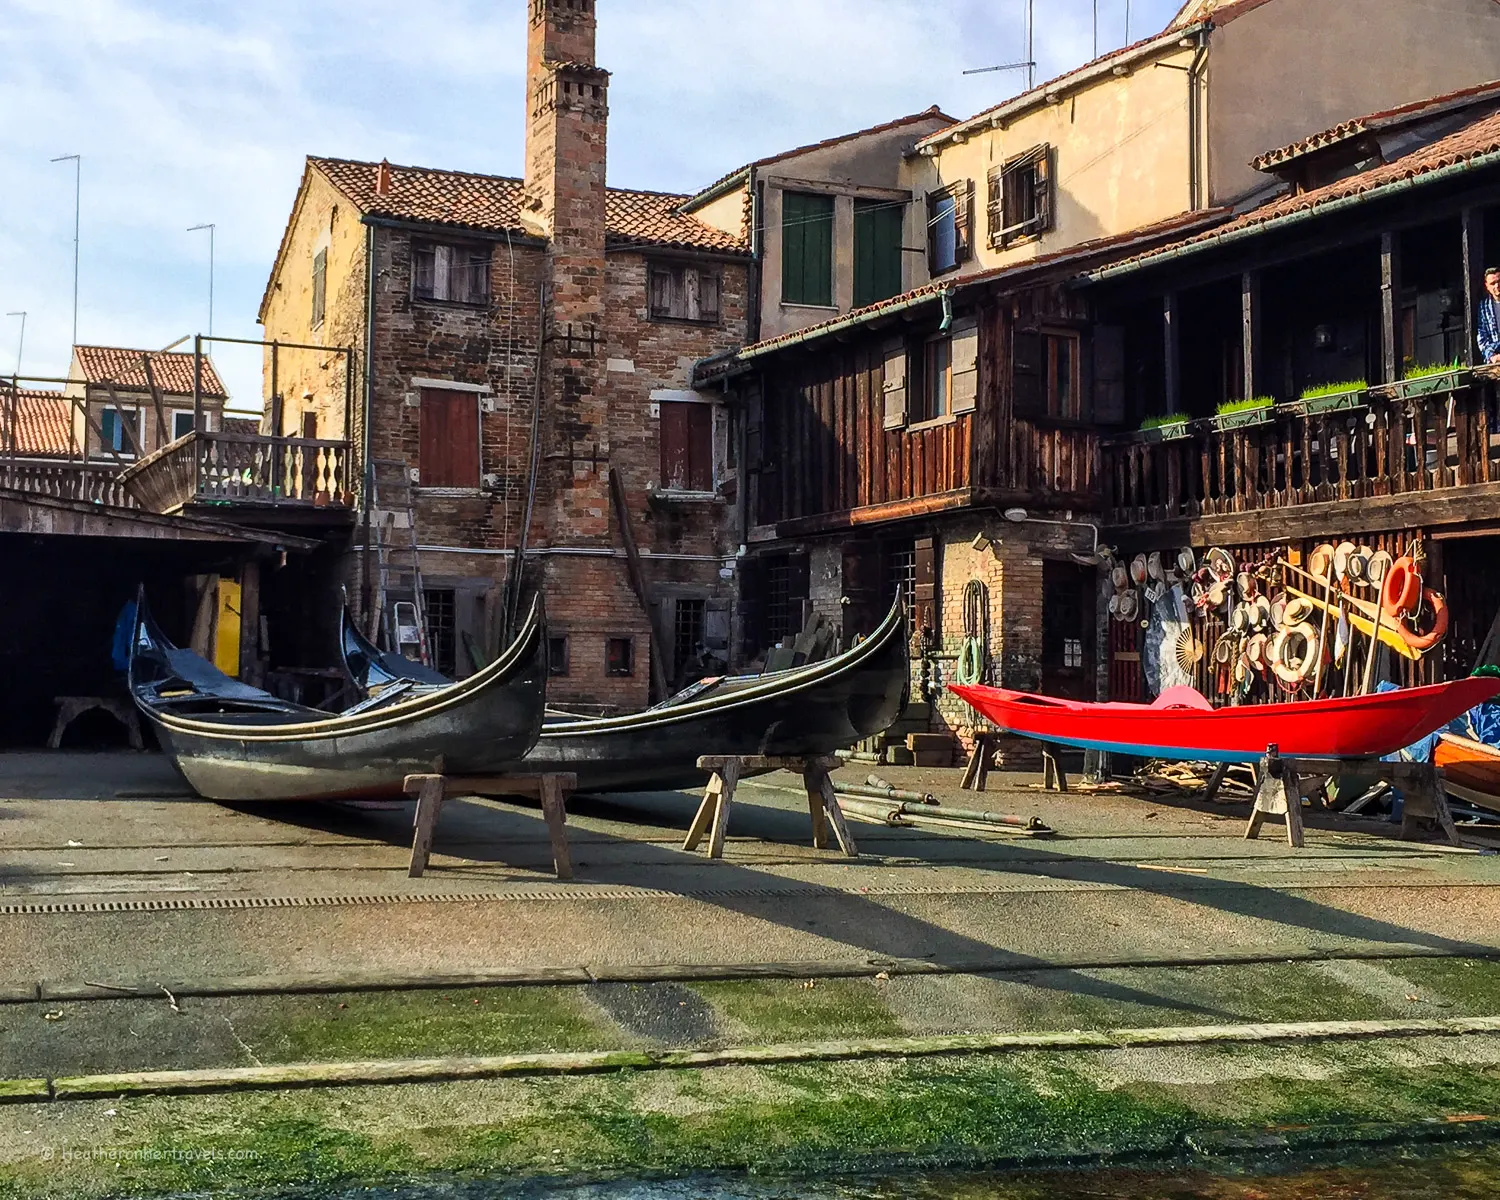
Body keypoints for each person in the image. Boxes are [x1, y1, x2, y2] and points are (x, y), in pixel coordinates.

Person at [1480, 266, 1500, 365]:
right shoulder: (1484, 308)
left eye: (1499, 281)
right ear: (1487, 286)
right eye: (1492, 283)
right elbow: (1482, 338)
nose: (1497, 286)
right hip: (1495, 360)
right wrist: (1492, 356)